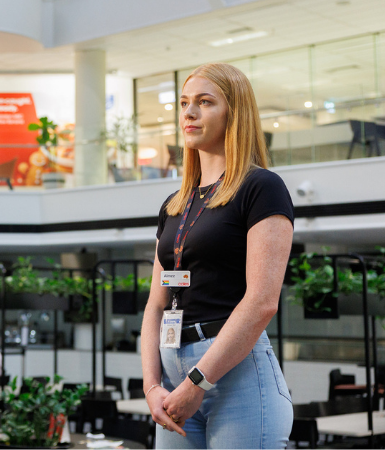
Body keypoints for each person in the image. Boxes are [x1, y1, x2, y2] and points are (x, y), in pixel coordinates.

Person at [140, 63, 294, 449]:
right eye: (184, 103)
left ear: (234, 113)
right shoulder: (175, 204)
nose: (188, 113)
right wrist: (151, 386)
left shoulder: (261, 187)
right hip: (173, 377)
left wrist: (198, 381)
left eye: (205, 102)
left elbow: (261, 303)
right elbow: (155, 306)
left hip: (233, 375)